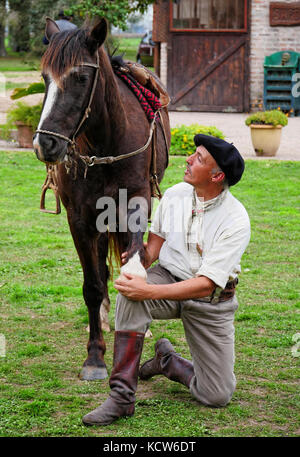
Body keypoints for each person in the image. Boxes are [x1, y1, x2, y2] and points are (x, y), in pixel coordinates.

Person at [82, 134, 251, 426]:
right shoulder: (174, 196)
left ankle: (167, 361)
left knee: (217, 395)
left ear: (217, 175)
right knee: (130, 293)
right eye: (193, 153)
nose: (187, 159)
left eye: (198, 158)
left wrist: (146, 290)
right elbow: (153, 250)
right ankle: (121, 397)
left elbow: (206, 284)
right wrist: (137, 254)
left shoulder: (235, 219)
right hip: (168, 276)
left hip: (209, 301)